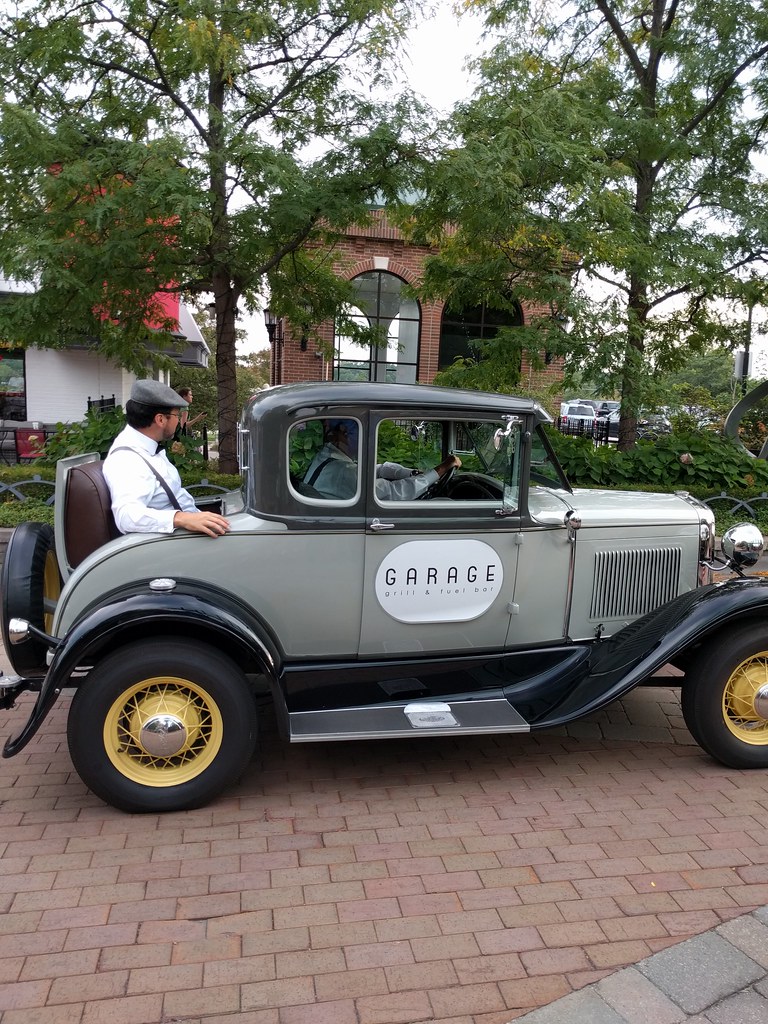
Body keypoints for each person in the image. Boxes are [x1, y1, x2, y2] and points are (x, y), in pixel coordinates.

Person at [103, 380, 230, 538]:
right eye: (176, 415)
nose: (178, 421)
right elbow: (127, 517)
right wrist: (182, 518)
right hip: (172, 546)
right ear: (160, 420)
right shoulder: (128, 460)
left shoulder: (147, 446)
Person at [303, 418, 461, 500]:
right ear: (344, 433)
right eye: (362, 433)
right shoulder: (344, 472)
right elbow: (393, 492)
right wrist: (441, 469)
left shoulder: (328, 457)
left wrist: (411, 473)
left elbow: (375, 469)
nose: (366, 440)